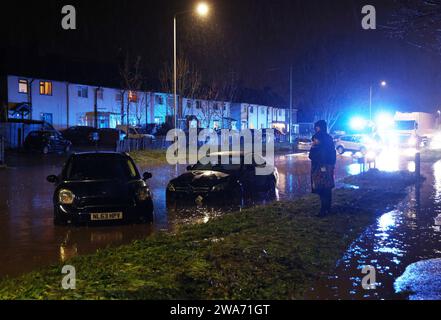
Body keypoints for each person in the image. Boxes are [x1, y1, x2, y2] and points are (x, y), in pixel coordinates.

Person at [308, 120, 337, 217]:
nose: (313, 141)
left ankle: (323, 210)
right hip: (328, 166)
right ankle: (328, 208)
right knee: (327, 188)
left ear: (318, 127)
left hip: (319, 167)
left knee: (321, 188)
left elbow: (313, 155)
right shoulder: (329, 138)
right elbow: (332, 153)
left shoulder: (318, 138)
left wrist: (312, 149)